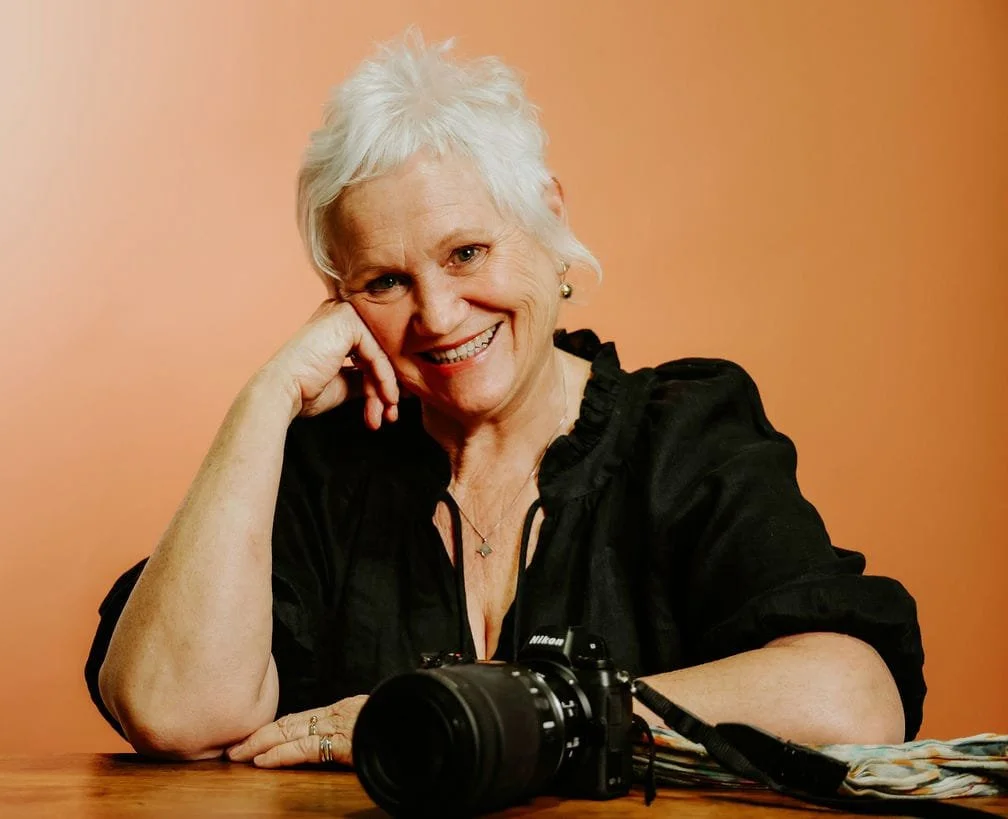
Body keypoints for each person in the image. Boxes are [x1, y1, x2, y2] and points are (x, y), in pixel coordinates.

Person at [85, 33, 925, 770]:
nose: (438, 315)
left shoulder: (682, 434)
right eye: (385, 281)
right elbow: (173, 712)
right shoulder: (319, 465)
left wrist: (532, 712)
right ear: (337, 301)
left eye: (466, 252)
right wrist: (264, 401)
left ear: (548, 218)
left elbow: (854, 698)